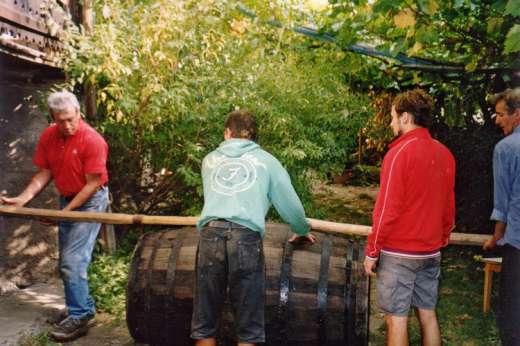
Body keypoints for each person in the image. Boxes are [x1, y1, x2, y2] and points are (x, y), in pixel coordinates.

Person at [191, 110, 315, 346]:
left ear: (227, 133)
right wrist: (300, 227)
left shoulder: (209, 160)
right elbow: (290, 205)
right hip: (244, 238)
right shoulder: (266, 161)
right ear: (254, 137)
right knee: (248, 324)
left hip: (210, 236)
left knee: (205, 320)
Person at [1, 91, 109, 342]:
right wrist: (22, 198)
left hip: (91, 199)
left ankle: (80, 315)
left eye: (71, 119)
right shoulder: (49, 136)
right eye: (61, 121)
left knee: (72, 261)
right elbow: (44, 172)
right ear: (52, 117)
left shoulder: (93, 140)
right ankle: (79, 308)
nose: (67, 125)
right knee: (68, 260)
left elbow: (93, 184)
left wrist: (65, 215)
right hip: (67, 199)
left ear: (79, 114)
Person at [363, 89, 456, 346]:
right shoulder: (444, 153)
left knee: (396, 319)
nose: (391, 123)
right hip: (430, 252)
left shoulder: (398, 154)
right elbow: (449, 205)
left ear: (405, 117)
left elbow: (386, 210)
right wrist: (443, 236)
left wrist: (372, 251)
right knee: (427, 314)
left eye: (393, 117)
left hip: (399, 254)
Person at [483, 88, 520, 346]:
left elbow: (503, 202)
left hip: (517, 244)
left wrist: (496, 237)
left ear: (517, 115)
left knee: (512, 313)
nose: (496, 120)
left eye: (500, 115)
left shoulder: (506, 148)